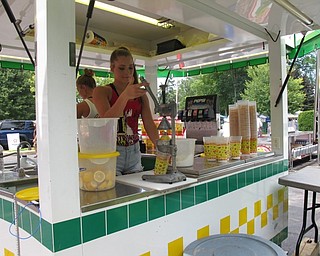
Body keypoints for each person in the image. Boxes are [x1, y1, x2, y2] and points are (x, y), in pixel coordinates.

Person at [93, 47, 159, 175]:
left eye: (130, 68)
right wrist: (125, 96)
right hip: (111, 151)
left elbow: (149, 123)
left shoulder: (140, 95)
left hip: (134, 151)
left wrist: (161, 147)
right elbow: (107, 121)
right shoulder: (101, 91)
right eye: (121, 68)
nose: (127, 72)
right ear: (112, 68)